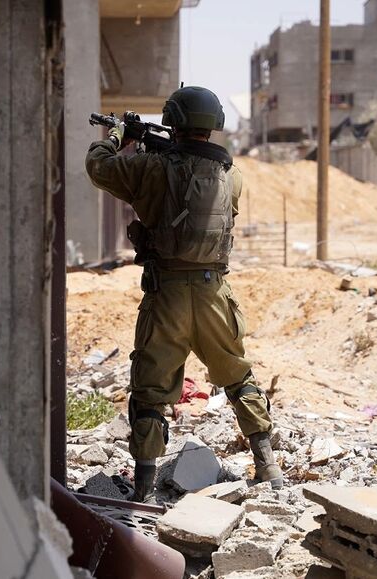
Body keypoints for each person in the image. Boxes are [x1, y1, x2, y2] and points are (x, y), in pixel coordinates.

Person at [85, 86, 283, 502]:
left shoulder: (149, 169)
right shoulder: (233, 176)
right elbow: (198, 177)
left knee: (150, 392)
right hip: (215, 295)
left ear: (173, 121)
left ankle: (143, 488)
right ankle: (268, 467)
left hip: (167, 295)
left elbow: (98, 165)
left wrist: (122, 137)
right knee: (238, 377)